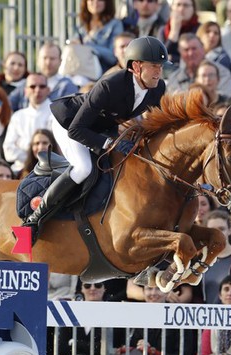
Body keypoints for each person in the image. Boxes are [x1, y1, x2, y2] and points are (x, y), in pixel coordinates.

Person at [23, 36, 169, 243]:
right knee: (83, 168)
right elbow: (76, 130)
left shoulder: (158, 88)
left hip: (101, 127)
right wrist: (111, 143)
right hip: (69, 123)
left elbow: (156, 123)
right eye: (154, 66)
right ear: (136, 66)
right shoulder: (110, 85)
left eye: (161, 66)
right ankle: (34, 219)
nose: (159, 72)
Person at [195, 210, 231, 303]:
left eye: (221, 229)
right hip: (204, 315)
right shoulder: (199, 258)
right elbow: (195, 294)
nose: (217, 233)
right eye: (212, 230)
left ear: (229, 230)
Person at [2, 73, 54, 174]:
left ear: (48, 90)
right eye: (33, 86)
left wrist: (22, 144)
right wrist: (33, 155)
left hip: (49, 170)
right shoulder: (17, 116)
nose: (37, 90)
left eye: (42, 86)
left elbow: (55, 149)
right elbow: (8, 151)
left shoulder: (56, 114)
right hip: (20, 171)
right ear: (25, 91)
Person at [9, 42, 79, 111]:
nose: (48, 62)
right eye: (45, 58)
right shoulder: (27, 83)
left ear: (60, 61)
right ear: (38, 60)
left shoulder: (68, 86)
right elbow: (7, 105)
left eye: (52, 58)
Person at [165, 33, 231, 95]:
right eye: (186, 50)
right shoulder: (174, 78)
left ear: (203, 49)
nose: (191, 53)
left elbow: (227, 98)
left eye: (194, 48)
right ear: (180, 53)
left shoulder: (221, 72)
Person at [75, 0, 124, 70]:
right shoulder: (81, 26)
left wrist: (87, 46)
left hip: (103, 73)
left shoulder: (115, 24)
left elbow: (113, 56)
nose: (95, 2)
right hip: (80, 70)